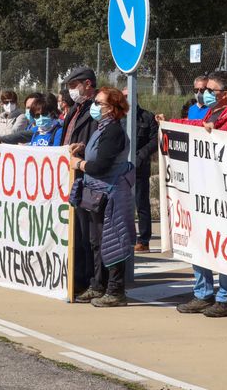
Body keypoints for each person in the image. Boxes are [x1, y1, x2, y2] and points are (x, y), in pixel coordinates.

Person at [159, 70, 227, 317]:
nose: (205, 94)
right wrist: (170, 123)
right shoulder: (213, 113)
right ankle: (203, 293)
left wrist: (219, 135)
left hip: (224, 196)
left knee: (225, 245)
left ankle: (225, 297)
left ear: (225, 94)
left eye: (211, 90)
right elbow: (197, 126)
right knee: (200, 241)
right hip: (204, 190)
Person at [68, 87, 135, 307]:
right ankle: (98, 285)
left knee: (113, 241)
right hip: (97, 194)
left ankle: (115, 291)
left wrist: (79, 164)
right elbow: (99, 152)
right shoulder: (102, 129)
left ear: (112, 108)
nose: (95, 107)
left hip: (111, 194)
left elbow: (101, 165)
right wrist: (83, 148)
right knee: (96, 242)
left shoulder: (114, 131)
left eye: (99, 103)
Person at [60, 66, 100, 294]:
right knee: (75, 231)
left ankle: (87, 280)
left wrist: (83, 150)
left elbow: (98, 139)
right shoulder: (76, 109)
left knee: (87, 234)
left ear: (87, 84)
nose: (71, 91)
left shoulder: (96, 109)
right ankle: (76, 276)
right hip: (70, 174)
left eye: (74, 86)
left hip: (86, 174)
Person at [122, 87, 158, 253]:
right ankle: (122, 237)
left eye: (128, 96)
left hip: (140, 167)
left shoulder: (147, 117)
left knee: (141, 204)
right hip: (120, 167)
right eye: (123, 96)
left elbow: (153, 140)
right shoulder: (117, 117)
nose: (125, 99)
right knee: (120, 203)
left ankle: (143, 240)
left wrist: (140, 156)